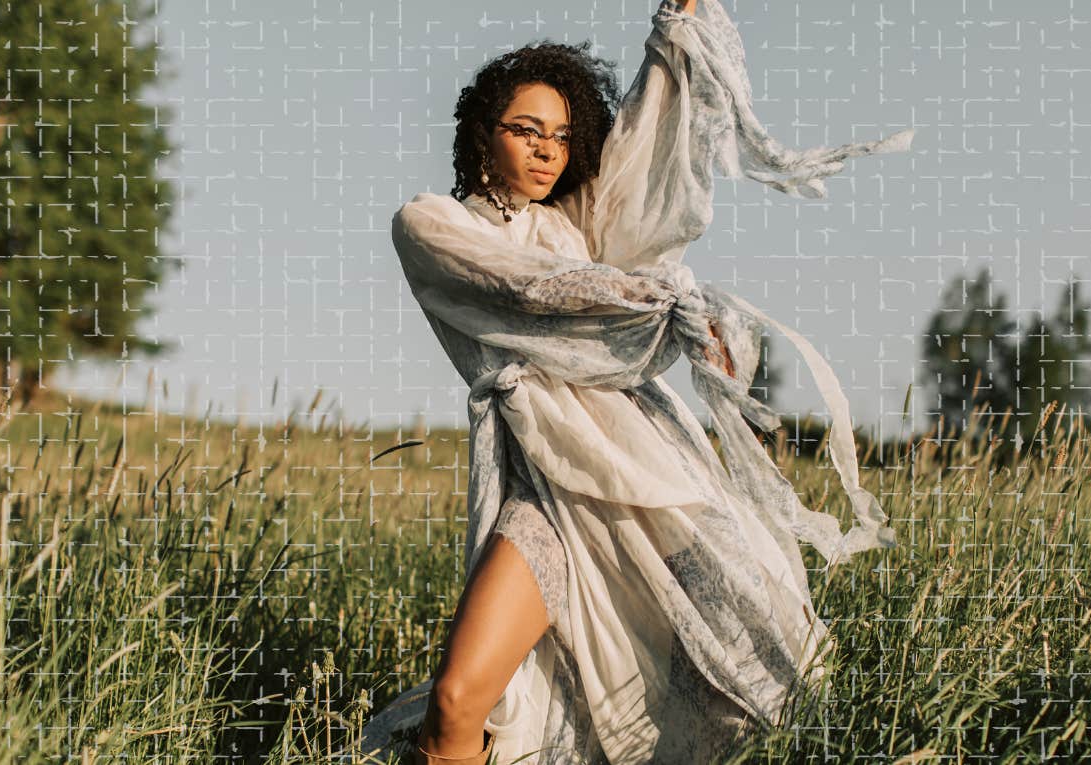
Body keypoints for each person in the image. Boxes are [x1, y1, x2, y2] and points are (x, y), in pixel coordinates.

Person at [362, 1, 914, 763]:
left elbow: (640, 154)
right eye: (526, 129)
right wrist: (656, 299)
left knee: (728, 670)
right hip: (543, 488)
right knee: (460, 700)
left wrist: (672, 38)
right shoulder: (432, 224)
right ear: (482, 133)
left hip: (637, 465)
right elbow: (531, 291)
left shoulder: (577, 223)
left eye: (561, 136)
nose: (548, 150)